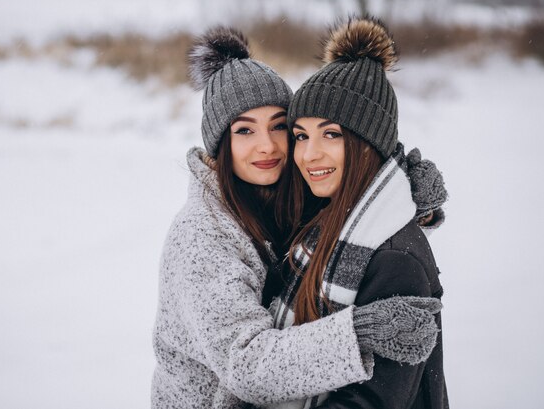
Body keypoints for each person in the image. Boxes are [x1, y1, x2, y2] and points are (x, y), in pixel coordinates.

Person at [151, 26, 445, 409]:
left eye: (279, 126)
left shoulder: (281, 198)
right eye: (244, 130)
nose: (267, 145)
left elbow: (360, 170)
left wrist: (404, 191)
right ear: (220, 144)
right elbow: (247, 363)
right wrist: (357, 334)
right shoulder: (201, 236)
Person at [271, 17, 449, 408]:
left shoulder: (395, 260)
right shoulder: (320, 222)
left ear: (369, 143)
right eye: (301, 135)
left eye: (331, 134)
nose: (309, 153)